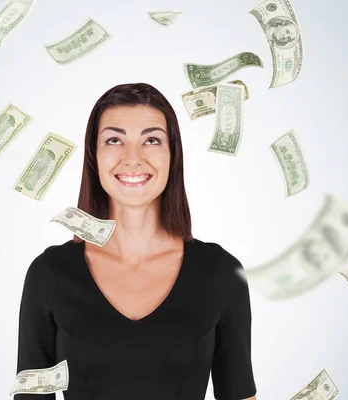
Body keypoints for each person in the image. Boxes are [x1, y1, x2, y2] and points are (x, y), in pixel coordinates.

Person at [16, 83, 257, 400]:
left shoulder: (222, 273)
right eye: (114, 140)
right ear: (94, 155)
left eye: (152, 140)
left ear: (173, 155)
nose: (133, 158)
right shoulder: (48, 274)